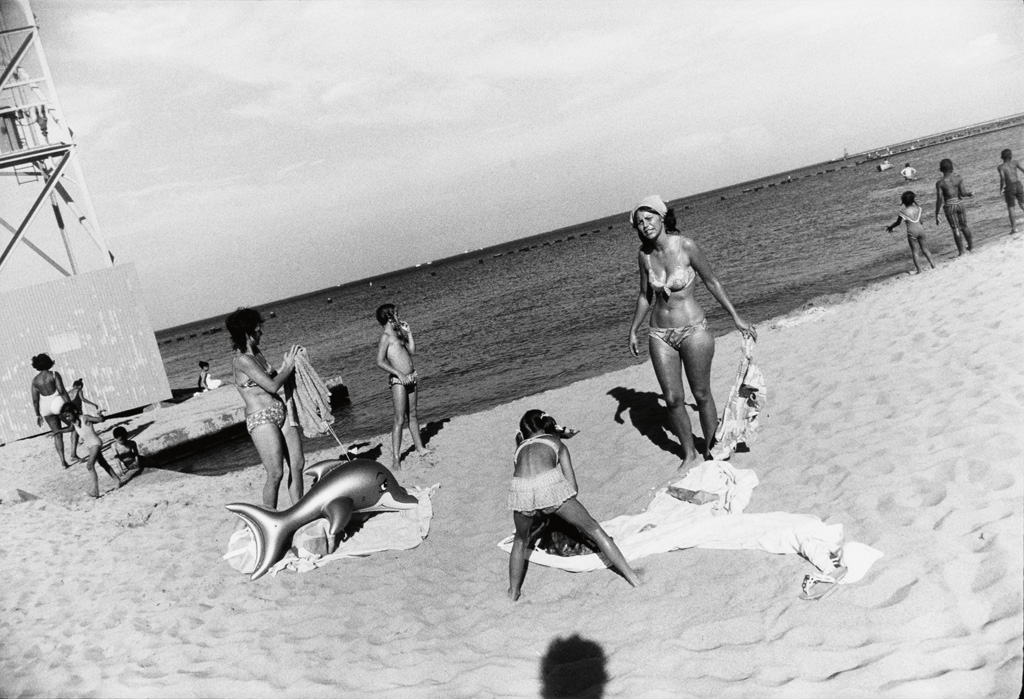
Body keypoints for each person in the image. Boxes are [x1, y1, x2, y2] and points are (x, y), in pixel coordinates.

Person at [626, 195, 757, 472]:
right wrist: (634, 329)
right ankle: (689, 453)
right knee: (672, 398)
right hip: (660, 333)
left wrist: (737, 317)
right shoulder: (644, 255)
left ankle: (712, 449)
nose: (645, 225)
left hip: (694, 330)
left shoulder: (686, 246)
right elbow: (644, 295)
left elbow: (712, 281)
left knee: (701, 393)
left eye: (649, 218)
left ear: (662, 217)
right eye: (639, 222)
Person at [506, 410, 641, 601]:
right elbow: (572, 488)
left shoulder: (518, 450)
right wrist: (558, 506)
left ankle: (513, 593)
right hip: (548, 485)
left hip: (520, 489)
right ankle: (632, 577)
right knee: (593, 528)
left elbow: (527, 481)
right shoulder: (557, 444)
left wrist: (541, 514)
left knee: (520, 540)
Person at [226, 308, 305, 509]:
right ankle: (269, 519)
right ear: (248, 331)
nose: (261, 331)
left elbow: (272, 377)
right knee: (276, 473)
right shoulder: (242, 360)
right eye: (258, 328)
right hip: (261, 419)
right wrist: (287, 367)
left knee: (297, 464)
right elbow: (271, 386)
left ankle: (299, 511)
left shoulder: (258, 354)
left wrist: (292, 363)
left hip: (279, 411)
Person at [375, 303, 433, 471]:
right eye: (397, 314)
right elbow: (379, 361)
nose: (399, 316)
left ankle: (420, 447)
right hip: (399, 381)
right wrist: (398, 374)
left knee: (413, 414)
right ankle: (395, 458)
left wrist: (409, 333)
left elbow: (412, 351)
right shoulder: (386, 336)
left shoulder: (399, 333)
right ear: (389, 317)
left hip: (411, 376)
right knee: (399, 419)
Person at [57, 403, 126, 498]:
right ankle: (117, 479)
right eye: (66, 417)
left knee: (89, 466)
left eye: (68, 415)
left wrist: (99, 414)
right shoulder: (73, 422)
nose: (68, 418)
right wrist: (57, 431)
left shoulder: (85, 418)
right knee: (103, 463)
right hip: (90, 446)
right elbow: (70, 429)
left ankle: (95, 490)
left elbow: (100, 420)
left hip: (95, 443)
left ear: (75, 411)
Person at [29, 353, 74, 469]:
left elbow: (35, 400)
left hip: (46, 408)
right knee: (75, 425)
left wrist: (37, 414)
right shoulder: (54, 374)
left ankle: (63, 461)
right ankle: (73, 453)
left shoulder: (35, 381)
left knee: (57, 434)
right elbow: (62, 391)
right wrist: (70, 405)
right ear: (49, 362)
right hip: (57, 402)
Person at [886, 191, 936, 274]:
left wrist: (891, 227)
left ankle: (919, 270)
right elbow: (921, 221)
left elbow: (898, 223)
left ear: (903, 201)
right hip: (921, 230)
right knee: (925, 249)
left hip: (912, 232)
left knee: (915, 252)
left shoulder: (902, 212)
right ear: (913, 200)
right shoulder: (918, 208)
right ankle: (933, 265)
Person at [934, 158, 974, 255]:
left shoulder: (940, 183)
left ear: (941, 170)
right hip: (959, 203)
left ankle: (961, 251)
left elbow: (940, 199)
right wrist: (970, 193)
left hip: (949, 205)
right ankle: (971, 246)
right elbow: (963, 193)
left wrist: (937, 212)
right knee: (964, 226)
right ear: (952, 168)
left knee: (955, 228)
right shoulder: (958, 178)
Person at [67, 377, 105, 462]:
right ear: (80, 386)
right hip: (78, 413)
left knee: (74, 431)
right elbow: (83, 399)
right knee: (78, 430)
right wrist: (93, 404)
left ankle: (74, 452)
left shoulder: (68, 393)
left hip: (70, 413)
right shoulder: (79, 391)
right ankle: (73, 453)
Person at [997, 149, 1024, 235]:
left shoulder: (1001, 167)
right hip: (1018, 184)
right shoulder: (1015, 163)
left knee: (1011, 207)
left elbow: (1003, 179)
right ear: (1010, 156)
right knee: (1022, 204)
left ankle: (1014, 228)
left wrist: (1001, 189)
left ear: (1002, 158)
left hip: (1009, 187)